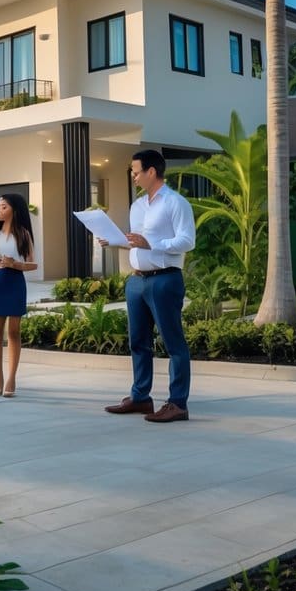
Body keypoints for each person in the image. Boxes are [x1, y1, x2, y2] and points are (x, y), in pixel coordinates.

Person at [99, 149, 196, 423]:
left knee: (173, 342)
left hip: (165, 279)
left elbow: (188, 241)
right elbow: (135, 241)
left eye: (136, 171)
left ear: (151, 172)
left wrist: (152, 243)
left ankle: (178, 403)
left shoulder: (176, 203)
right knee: (138, 342)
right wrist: (114, 240)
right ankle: (141, 398)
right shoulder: (138, 206)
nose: (133, 175)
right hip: (137, 280)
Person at [0, 193, 37, 397]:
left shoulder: (23, 233)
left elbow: (33, 263)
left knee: (14, 333)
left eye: (3, 207)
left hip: (15, 282)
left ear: (14, 209)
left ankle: (11, 377)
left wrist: (15, 264)